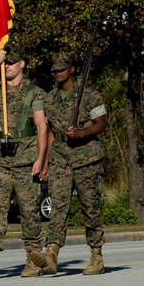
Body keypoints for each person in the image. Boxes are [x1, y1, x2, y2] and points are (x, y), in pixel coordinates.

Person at [0, 48, 50, 277]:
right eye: (6, 63)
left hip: (26, 160)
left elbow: (41, 127)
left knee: (29, 211)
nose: (8, 67)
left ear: (23, 64)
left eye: (12, 63)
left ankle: (34, 257)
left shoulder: (34, 92)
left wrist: (41, 159)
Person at [42, 52, 109, 274]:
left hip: (86, 158)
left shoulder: (89, 96)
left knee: (90, 207)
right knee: (58, 207)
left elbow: (101, 123)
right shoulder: (49, 99)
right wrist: (45, 161)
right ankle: (51, 253)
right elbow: (50, 130)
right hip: (60, 157)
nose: (57, 73)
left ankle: (96, 255)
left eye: (62, 69)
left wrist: (82, 133)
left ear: (72, 69)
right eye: (54, 70)